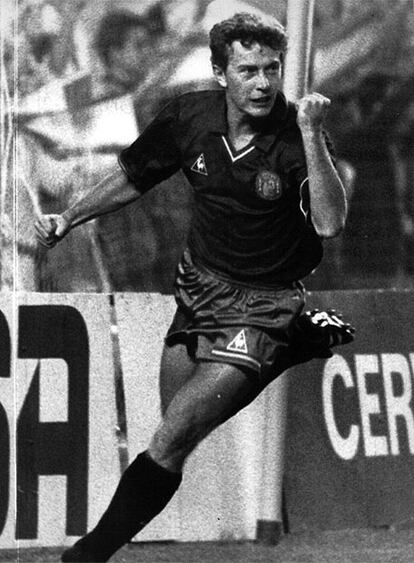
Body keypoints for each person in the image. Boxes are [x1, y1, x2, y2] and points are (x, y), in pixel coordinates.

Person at [35, 12, 354, 562]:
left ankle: (86, 556)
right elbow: (133, 176)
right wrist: (69, 217)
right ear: (218, 73)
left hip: (265, 304)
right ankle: (300, 342)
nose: (263, 83)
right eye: (248, 70)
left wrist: (310, 131)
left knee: (171, 437)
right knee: (174, 430)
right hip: (201, 291)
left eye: (272, 69)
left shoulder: (296, 134)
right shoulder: (189, 116)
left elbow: (329, 223)